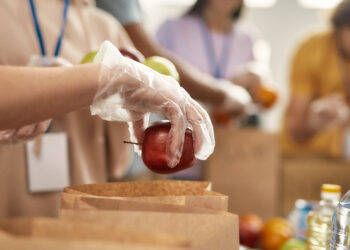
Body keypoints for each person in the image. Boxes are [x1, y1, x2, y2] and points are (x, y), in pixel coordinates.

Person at [0, 0, 213, 217]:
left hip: (80, 217)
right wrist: (103, 79)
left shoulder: (106, 28)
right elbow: (119, 160)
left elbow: (120, 160)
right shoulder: (103, 29)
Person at [96, 0, 250, 117]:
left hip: (225, 132)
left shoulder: (248, 38)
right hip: (173, 121)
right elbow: (145, 53)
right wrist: (224, 95)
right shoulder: (172, 27)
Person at [155, 0, 269, 105]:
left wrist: (254, 83)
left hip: (229, 123)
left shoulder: (249, 38)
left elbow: (264, 96)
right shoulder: (172, 28)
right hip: (177, 120)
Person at [281, 0, 350, 158]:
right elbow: (296, 128)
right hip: (303, 154)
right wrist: (314, 119)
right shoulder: (312, 49)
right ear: (339, 28)